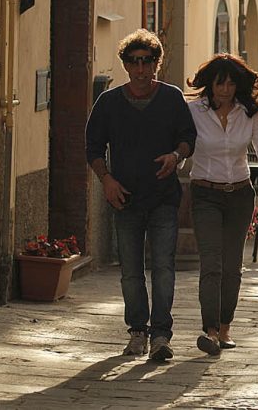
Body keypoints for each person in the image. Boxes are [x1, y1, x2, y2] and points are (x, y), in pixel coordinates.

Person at [85, 29, 197, 362]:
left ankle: (161, 335)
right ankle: (137, 331)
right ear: (125, 65)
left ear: (157, 64)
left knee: (163, 267)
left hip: (163, 196)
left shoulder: (172, 98)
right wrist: (106, 180)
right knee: (130, 270)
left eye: (147, 62)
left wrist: (177, 156)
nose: (141, 69)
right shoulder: (109, 103)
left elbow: (188, 137)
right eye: (134, 62)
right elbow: (93, 147)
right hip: (125, 198)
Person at [185, 54, 258, 356]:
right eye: (219, 83)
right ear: (209, 84)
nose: (225, 89)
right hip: (204, 193)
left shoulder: (249, 113)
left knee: (232, 268)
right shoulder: (193, 111)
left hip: (240, 195)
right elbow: (181, 144)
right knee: (211, 263)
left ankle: (226, 327)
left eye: (230, 83)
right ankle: (210, 331)